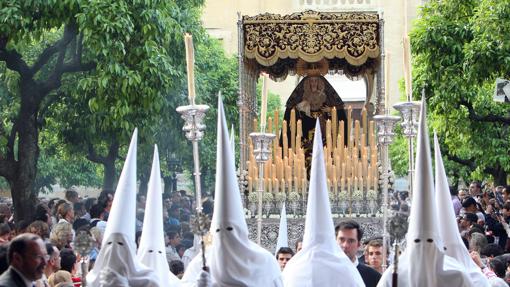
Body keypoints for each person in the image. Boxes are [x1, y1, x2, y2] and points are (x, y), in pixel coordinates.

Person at [335, 221, 381, 287]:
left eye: (351, 241)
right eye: (341, 239)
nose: (345, 245)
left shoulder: (374, 277)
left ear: (358, 245)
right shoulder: (324, 273)